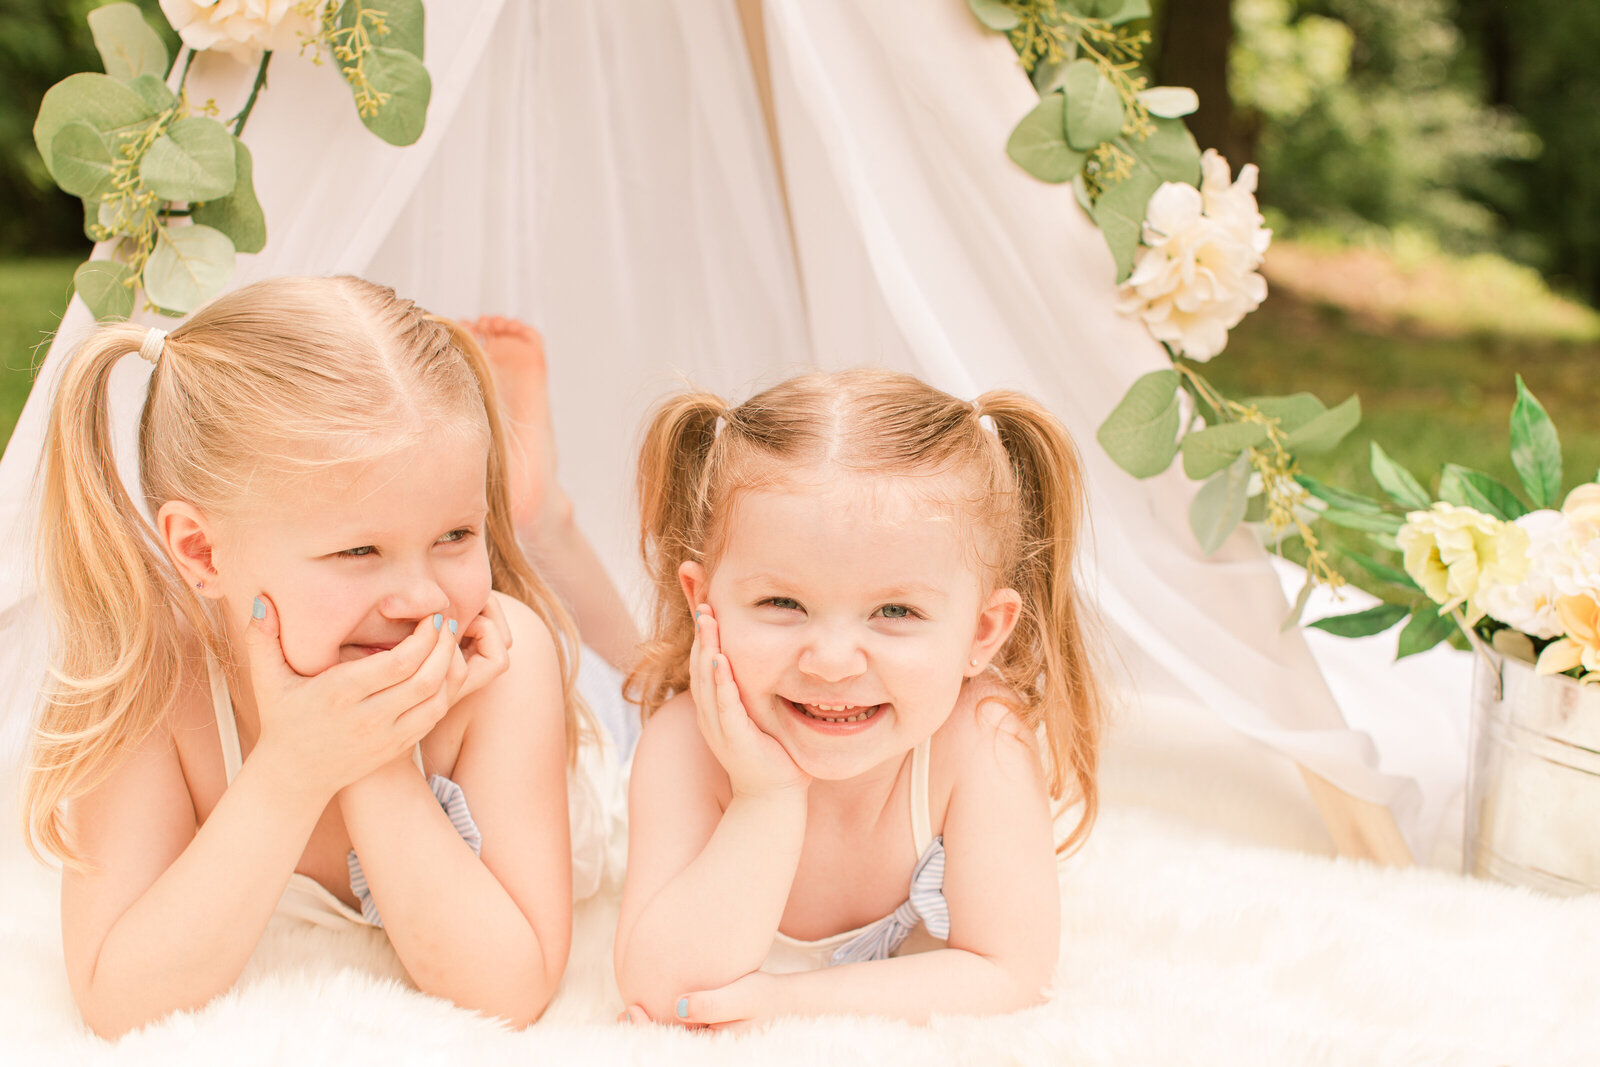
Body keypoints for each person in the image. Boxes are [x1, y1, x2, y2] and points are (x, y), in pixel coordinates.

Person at [23, 276, 596, 1037]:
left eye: (456, 535)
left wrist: (373, 757)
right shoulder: (151, 677)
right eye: (359, 549)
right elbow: (119, 999)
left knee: (653, 684)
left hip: (594, 737)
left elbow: (508, 989)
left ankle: (535, 514)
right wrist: (294, 767)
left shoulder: (499, 658)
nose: (423, 599)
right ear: (200, 550)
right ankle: (529, 512)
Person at [613, 368, 1105, 1027]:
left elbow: (1010, 968)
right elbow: (659, 987)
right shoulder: (684, 743)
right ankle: (550, 519)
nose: (833, 661)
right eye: (782, 603)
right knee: (599, 667)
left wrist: (785, 1001)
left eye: (894, 610)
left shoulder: (979, 737)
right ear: (704, 601)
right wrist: (766, 797)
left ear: (982, 632)